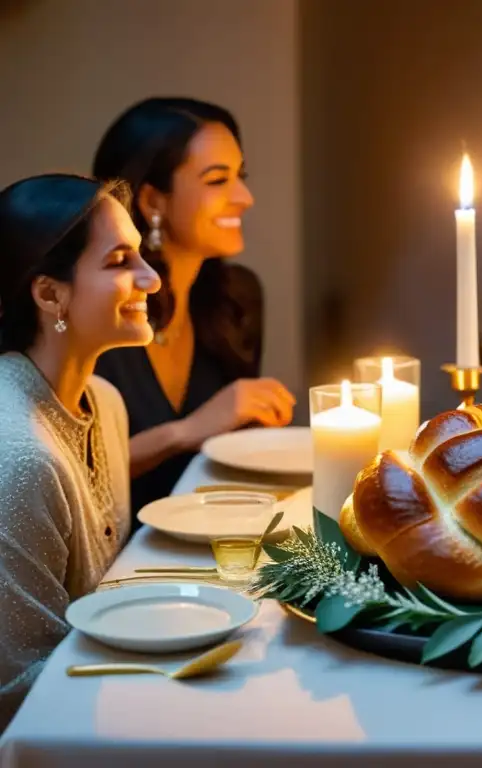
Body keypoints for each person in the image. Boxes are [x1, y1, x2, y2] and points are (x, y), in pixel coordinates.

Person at [0, 174, 160, 727]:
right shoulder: (18, 456)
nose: (153, 278)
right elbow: (18, 690)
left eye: (141, 254)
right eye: (120, 261)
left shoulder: (105, 403)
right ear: (49, 294)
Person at [92, 98, 295, 520]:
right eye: (218, 180)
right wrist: (186, 431)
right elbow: (69, 475)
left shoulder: (237, 298)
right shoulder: (98, 310)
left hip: (212, 538)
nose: (245, 197)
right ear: (152, 201)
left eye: (241, 176)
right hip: (118, 560)